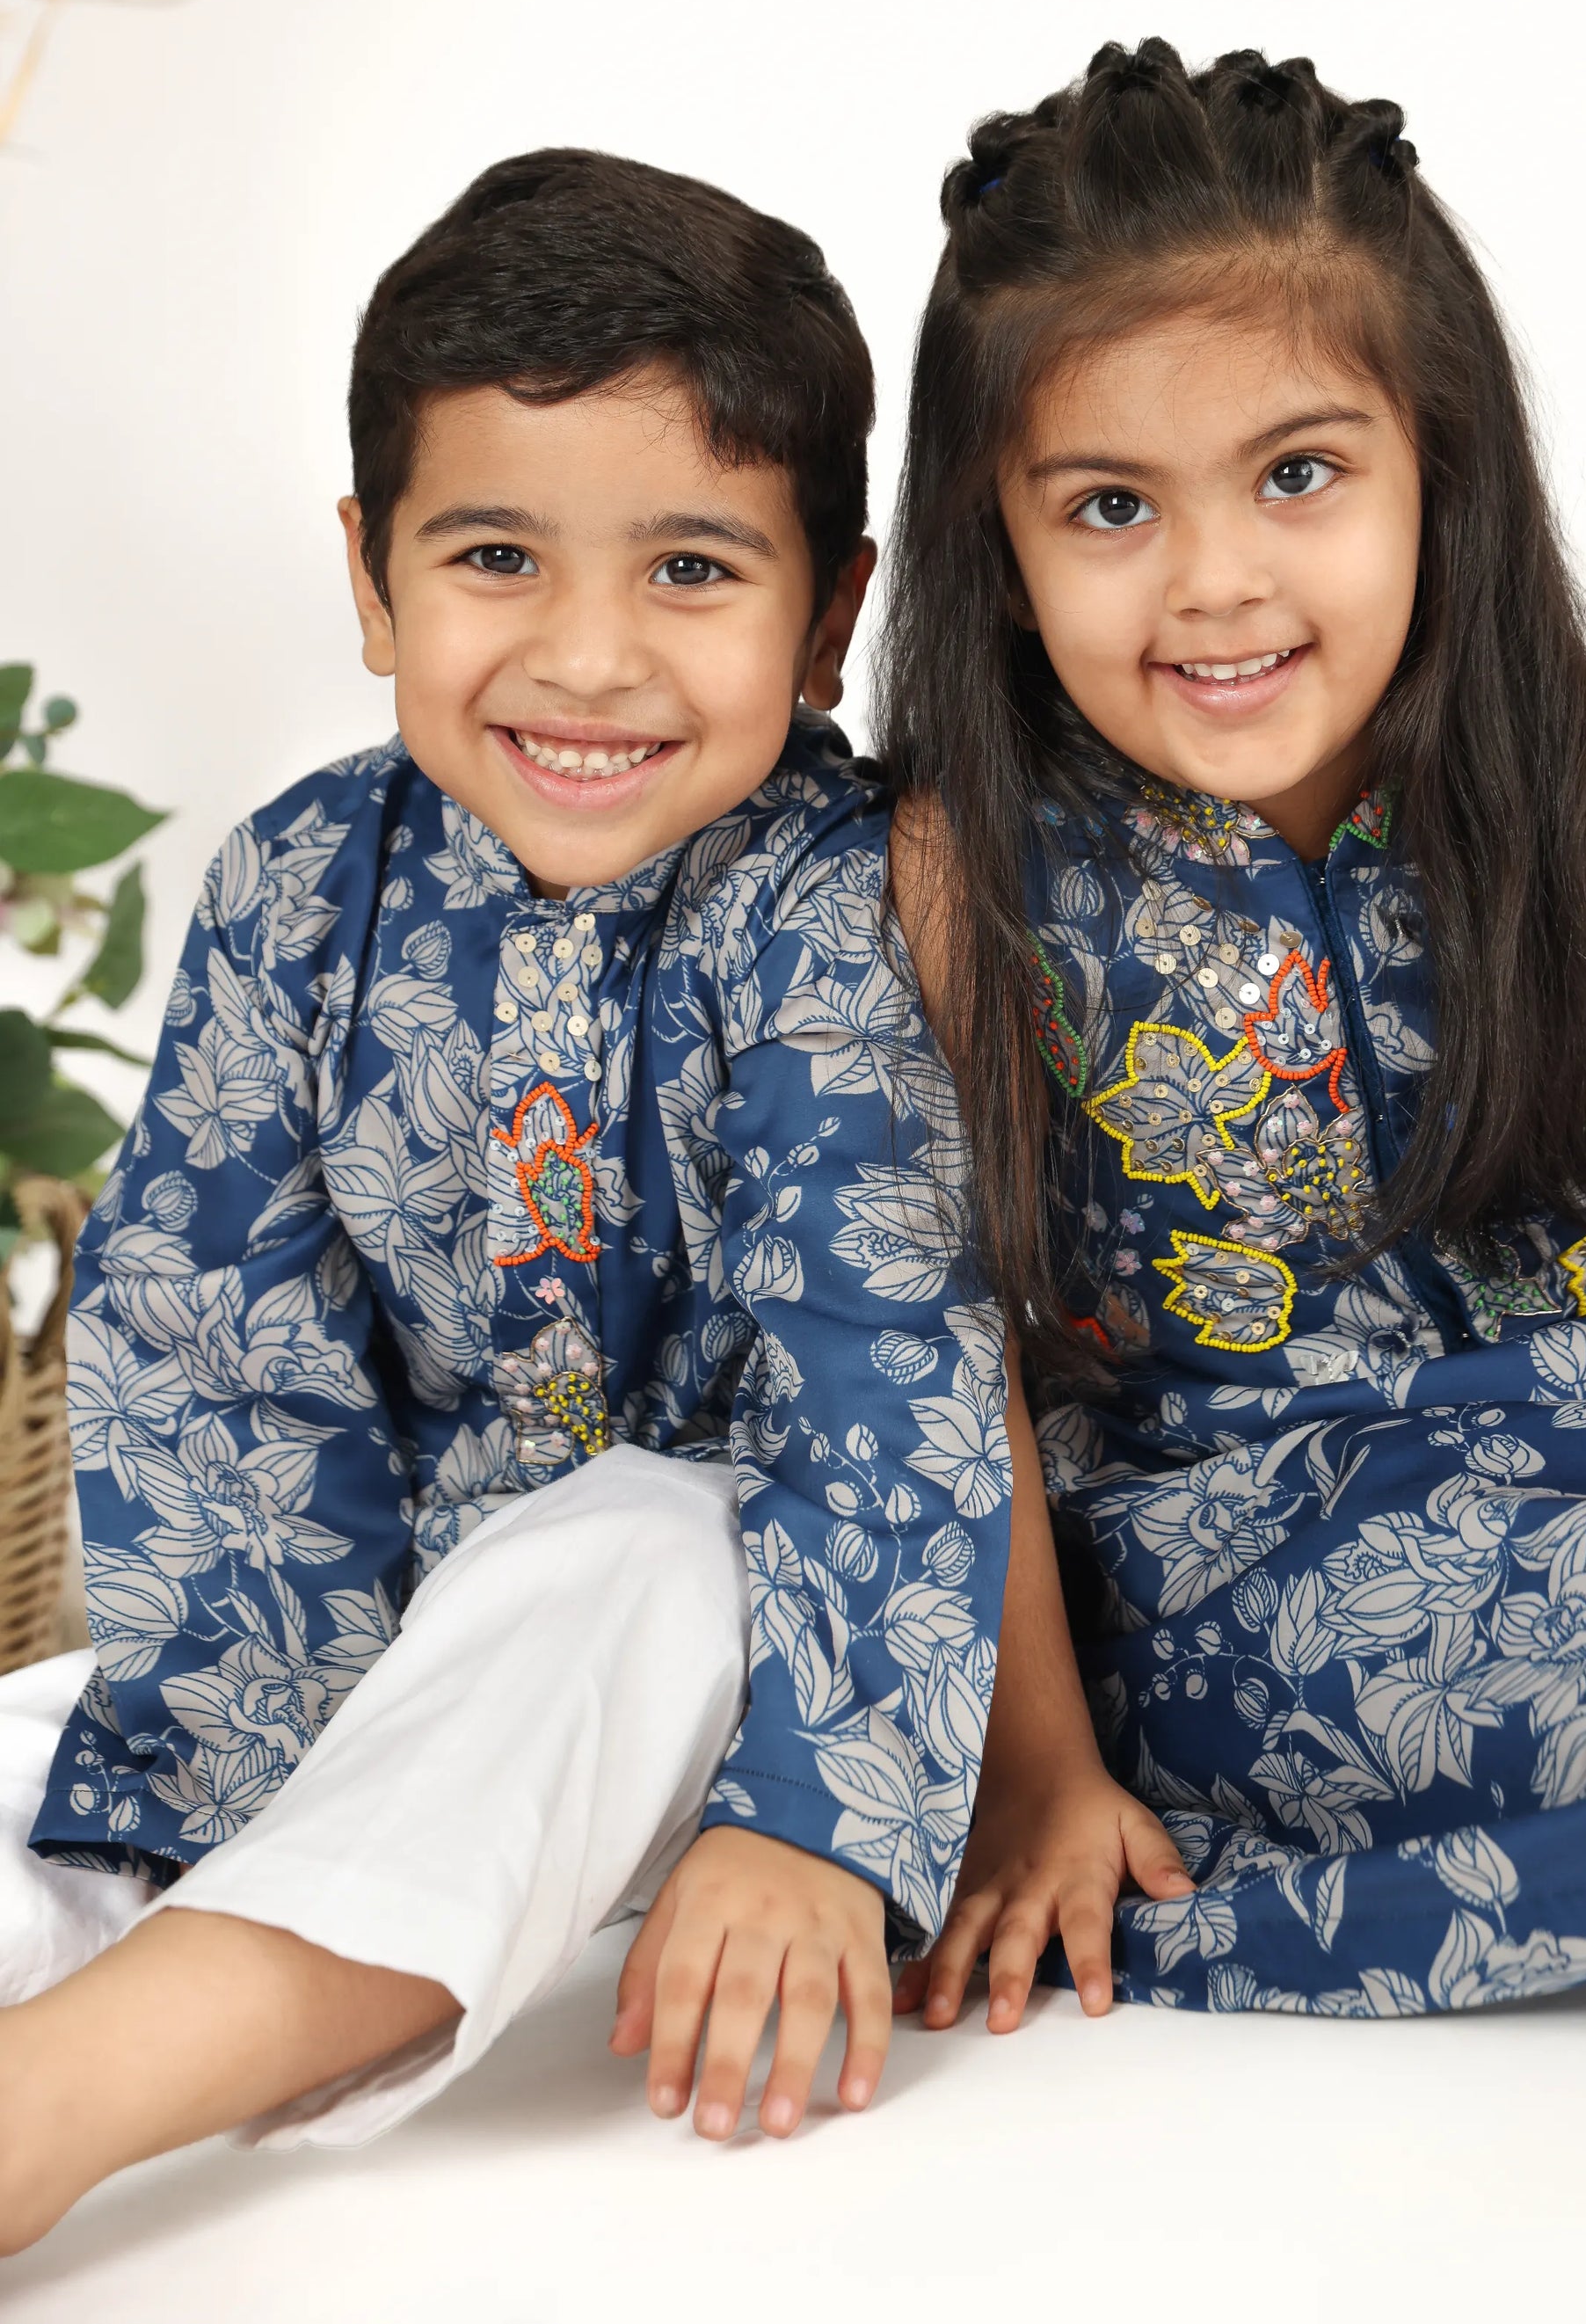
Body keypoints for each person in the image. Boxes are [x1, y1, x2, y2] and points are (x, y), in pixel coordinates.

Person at [875, 37, 1586, 2029]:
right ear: (997, 536)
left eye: (1299, 475)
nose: (1217, 579)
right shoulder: (948, 886)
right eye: (1110, 506)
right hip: (1282, 1550)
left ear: (1439, 466)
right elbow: (923, 1364)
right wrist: (1032, 1767)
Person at [0, 149, 1008, 2254]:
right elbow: (206, 1335)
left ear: (831, 611)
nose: (586, 659)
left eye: (692, 573)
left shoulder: (837, 905)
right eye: (492, 557)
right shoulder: (299, 885)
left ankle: (63, 2107)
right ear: (371, 578)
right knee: (45, 1742)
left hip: (724, 1632)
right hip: (368, 1633)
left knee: (630, 1539)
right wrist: (235, 1753)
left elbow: (886, 1377)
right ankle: (194, 1901)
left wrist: (820, 1824)